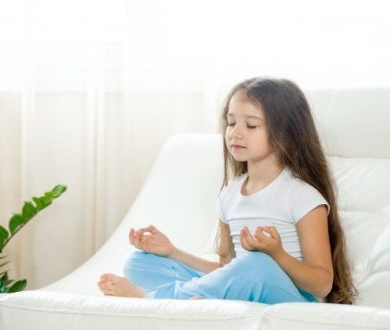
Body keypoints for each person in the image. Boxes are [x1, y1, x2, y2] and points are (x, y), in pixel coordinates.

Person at [97, 77, 357, 304]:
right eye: (231, 123)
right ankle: (195, 300)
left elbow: (321, 284)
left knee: (257, 264)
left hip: (293, 298)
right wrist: (172, 251)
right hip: (242, 281)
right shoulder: (230, 195)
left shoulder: (302, 196)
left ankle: (152, 300)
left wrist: (277, 255)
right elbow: (225, 270)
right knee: (139, 263)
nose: (235, 133)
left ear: (285, 133)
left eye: (251, 125)